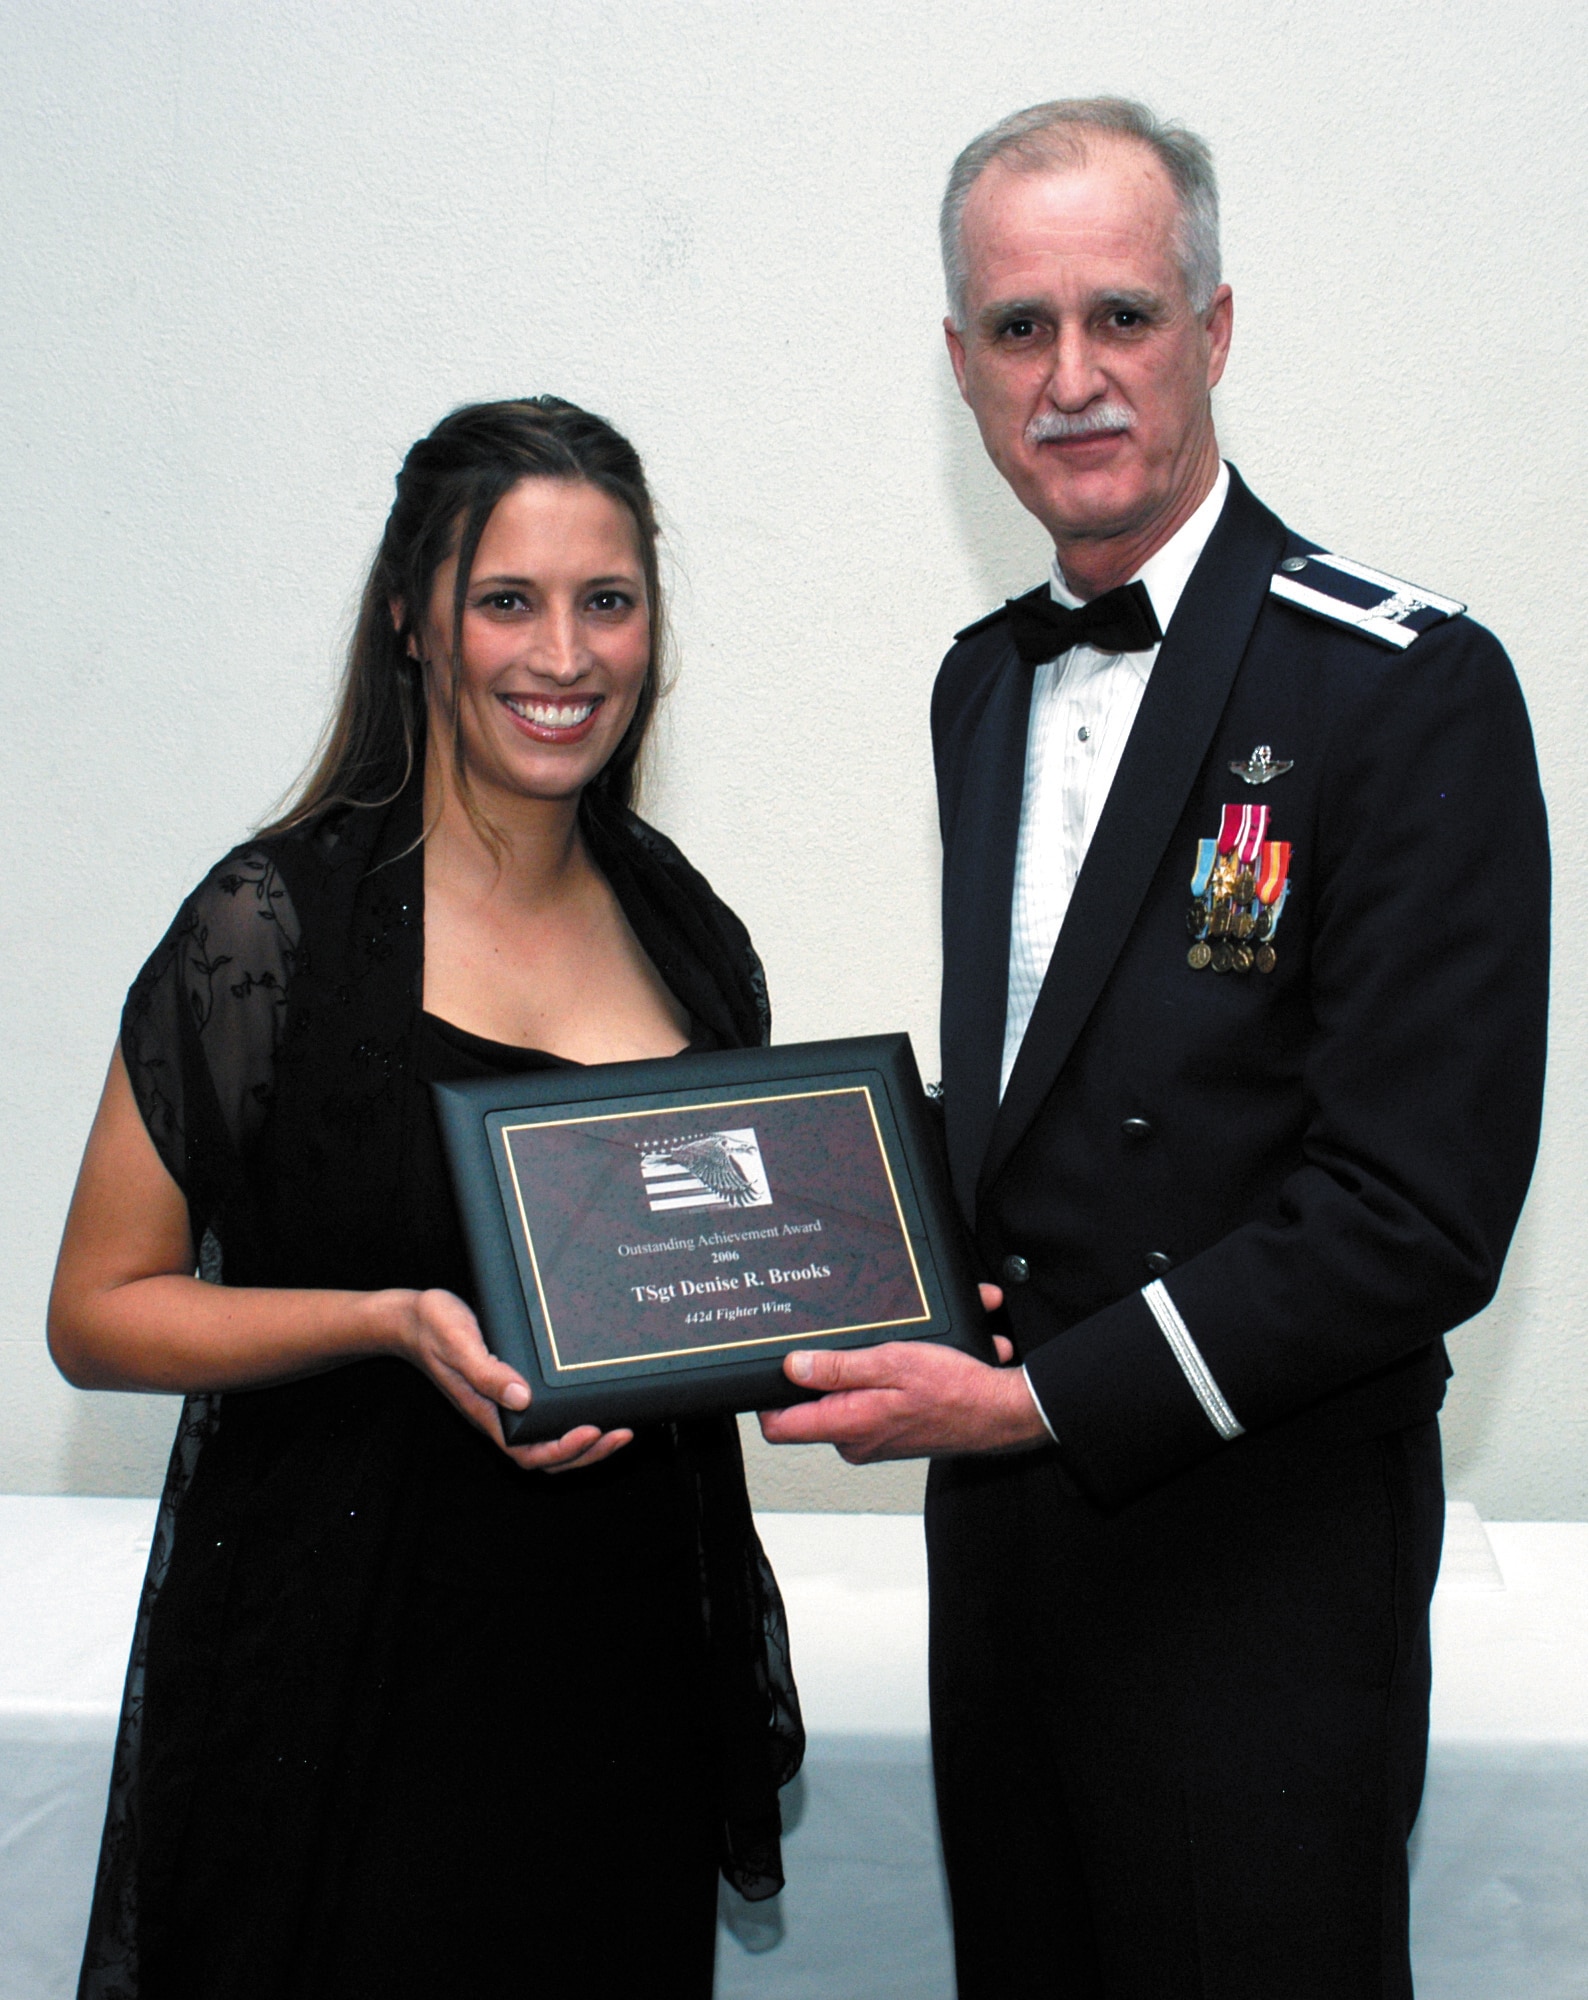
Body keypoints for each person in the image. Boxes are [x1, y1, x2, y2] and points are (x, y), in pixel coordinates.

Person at [761, 98, 1548, 1997]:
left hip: (1255, 1569)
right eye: (1019, 331)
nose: (1075, 377)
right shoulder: (980, 687)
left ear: (1215, 327)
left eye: (1123, 315)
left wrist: (1035, 1406)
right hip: (1010, 1570)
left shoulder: (1403, 687)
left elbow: (1413, 1213)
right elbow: (1048, 1123)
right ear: (959, 367)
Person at [49, 396, 802, 2000]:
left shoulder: (688, 931)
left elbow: (725, 1270)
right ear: (414, 620)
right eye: (507, 600)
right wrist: (387, 1324)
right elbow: (97, 1311)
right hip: (344, 1690)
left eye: (608, 600)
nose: (565, 655)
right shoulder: (274, 927)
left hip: (617, 1694)